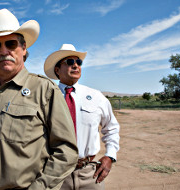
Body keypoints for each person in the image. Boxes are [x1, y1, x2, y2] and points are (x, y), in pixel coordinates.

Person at [0, 9, 78, 190]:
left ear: (24, 48)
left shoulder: (44, 90)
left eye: (10, 44)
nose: (4, 51)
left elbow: (66, 151)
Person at [44, 44, 120, 190]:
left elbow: (111, 128)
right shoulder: (46, 97)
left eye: (79, 62)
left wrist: (110, 156)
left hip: (90, 175)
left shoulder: (96, 96)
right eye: (70, 62)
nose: (76, 66)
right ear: (57, 70)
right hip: (55, 174)